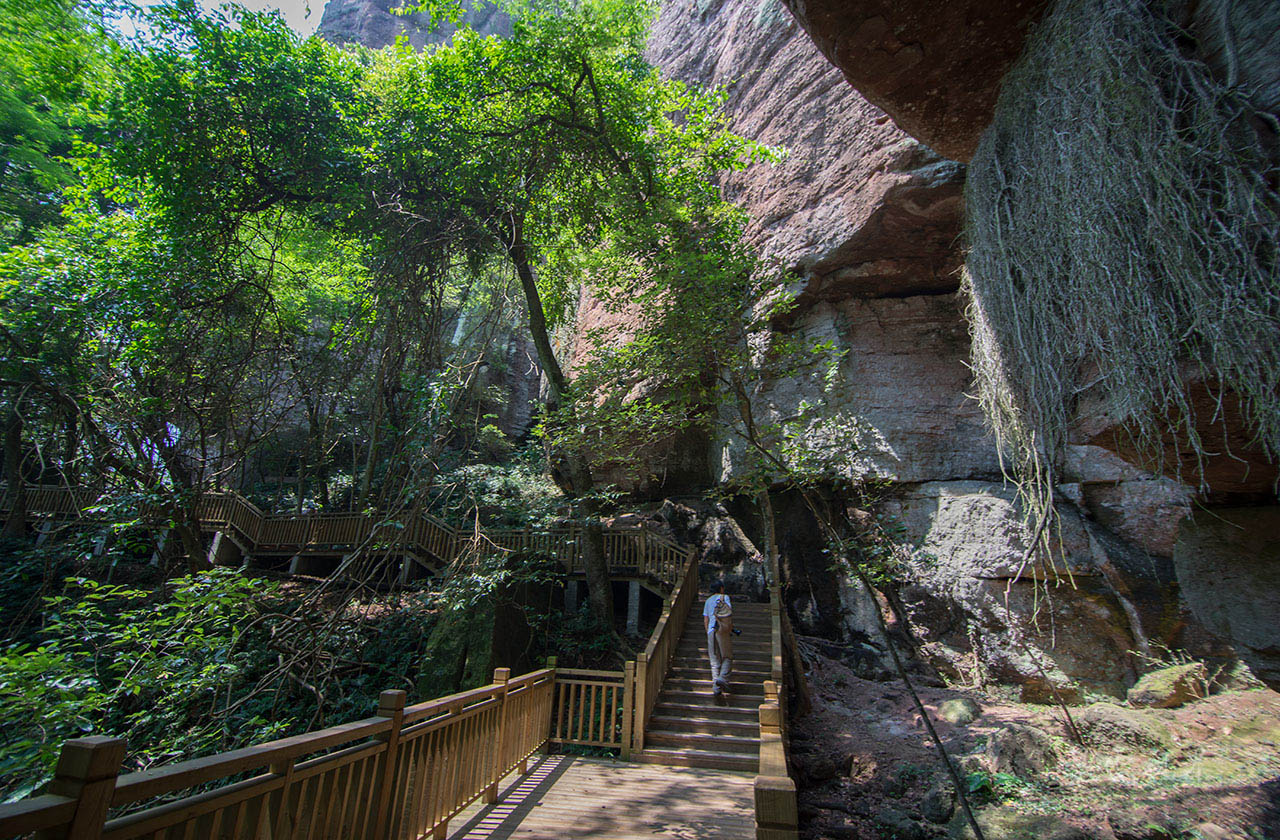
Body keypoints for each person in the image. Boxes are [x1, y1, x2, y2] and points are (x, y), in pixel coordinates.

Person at [703, 581, 733, 703]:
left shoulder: (707, 601)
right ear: (721, 588)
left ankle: (716, 688)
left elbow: (706, 619)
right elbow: (728, 613)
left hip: (711, 630)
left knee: (714, 660)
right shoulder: (724, 597)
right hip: (722, 630)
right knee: (727, 657)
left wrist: (708, 632)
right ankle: (722, 678)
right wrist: (729, 629)